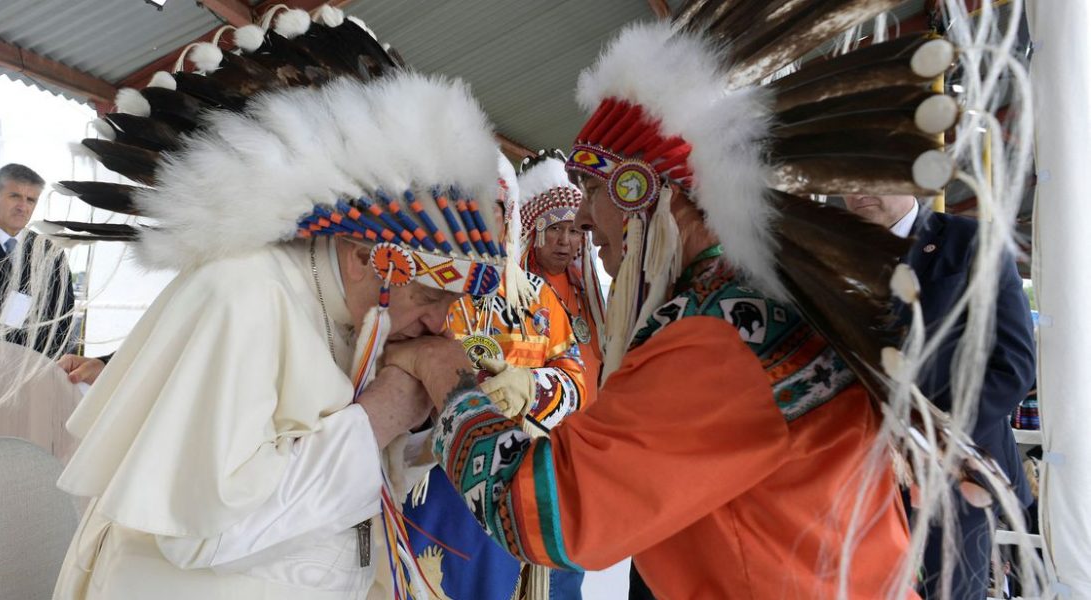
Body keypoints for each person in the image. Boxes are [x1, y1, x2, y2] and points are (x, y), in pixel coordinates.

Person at [380, 4, 1037, 594]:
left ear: (650, 195)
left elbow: (546, 513)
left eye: (592, 188)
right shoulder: (746, 302)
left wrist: (448, 374)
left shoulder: (720, 335)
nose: (582, 221)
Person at [15, 7, 511, 599]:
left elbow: (340, 461)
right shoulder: (242, 292)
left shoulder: (349, 307)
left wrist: (431, 417)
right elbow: (203, 531)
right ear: (361, 255)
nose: (439, 324)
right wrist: (383, 411)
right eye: (431, 295)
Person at [402, 157, 587, 600]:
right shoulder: (418, 285)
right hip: (428, 477)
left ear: (511, 218)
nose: (480, 221)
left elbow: (575, 380)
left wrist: (532, 388)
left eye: (494, 209)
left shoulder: (538, 299)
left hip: (509, 480)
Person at [843, 194, 1036, 599]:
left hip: (955, 470)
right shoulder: (832, 250)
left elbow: (1012, 367)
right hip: (856, 467)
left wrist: (925, 439)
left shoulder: (971, 242)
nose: (856, 188)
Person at [0, 163, 74, 353]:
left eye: (31, 199)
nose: (22, 207)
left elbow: (61, 321)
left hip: (29, 370)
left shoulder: (51, 254)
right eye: (15, 196)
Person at [516, 149, 606, 402]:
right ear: (535, 233)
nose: (565, 241)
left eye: (575, 231)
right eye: (555, 228)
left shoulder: (588, 293)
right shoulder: (520, 293)